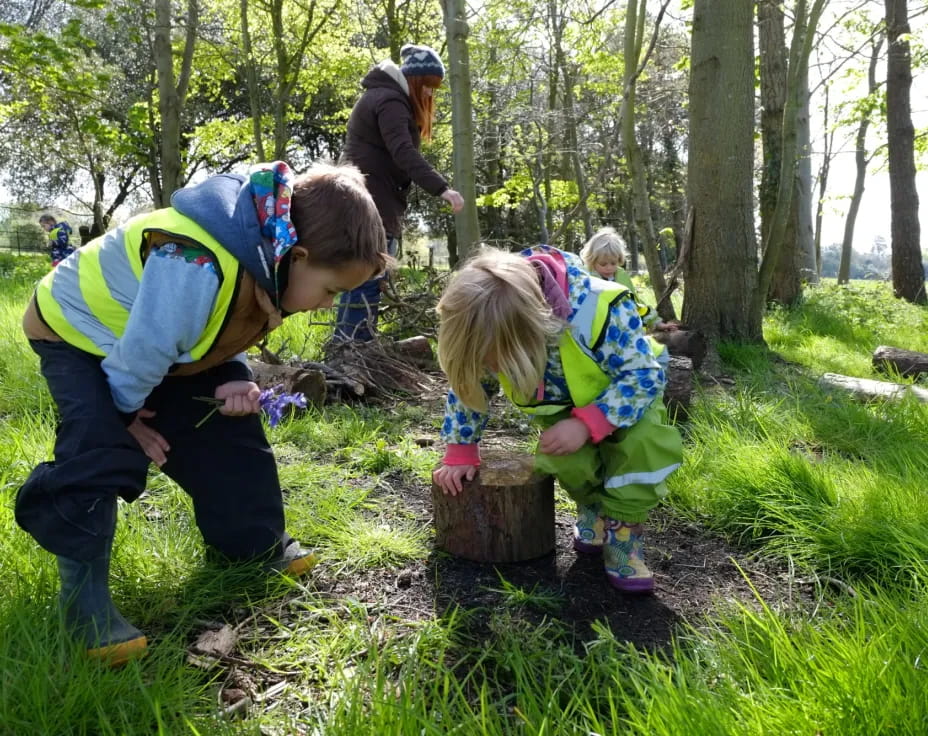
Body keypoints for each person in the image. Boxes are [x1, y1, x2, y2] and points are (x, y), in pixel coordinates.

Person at [17, 161, 388, 664]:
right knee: (98, 446)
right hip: (79, 334)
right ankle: (83, 601)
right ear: (297, 255)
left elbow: (216, 328)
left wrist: (235, 373)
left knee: (230, 430)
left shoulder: (267, 254)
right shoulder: (191, 262)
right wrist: (125, 418)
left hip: (151, 342)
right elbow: (143, 355)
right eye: (330, 291)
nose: (326, 304)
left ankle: (250, 544)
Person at [431, 245, 683, 593]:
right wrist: (460, 448)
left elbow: (642, 376)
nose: (492, 370)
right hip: (565, 405)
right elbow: (469, 385)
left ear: (530, 335)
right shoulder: (492, 325)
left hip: (626, 398)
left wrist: (588, 423)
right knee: (565, 460)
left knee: (639, 451)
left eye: (497, 362)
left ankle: (624, 535)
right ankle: (593, 508)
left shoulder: (598, 307)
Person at [335, 42, 465, 341]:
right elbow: (403, 152)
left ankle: (346, 349)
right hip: (371, 205)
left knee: (362, 278)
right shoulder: (390, 101)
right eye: (429, 86)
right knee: (367, 277)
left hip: (370, 201)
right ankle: (355, 352)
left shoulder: (385, 97)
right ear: (416, 80)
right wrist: (442, 188)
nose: (431, 94)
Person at [580, 227, 677, 336]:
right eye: (603, 264)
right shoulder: (586, 279)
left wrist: (657, 323)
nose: (609, 268)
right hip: (596, 331)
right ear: (592, 261)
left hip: (624, 329)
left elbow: (635, 303)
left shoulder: (621, 276)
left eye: (613, 263)